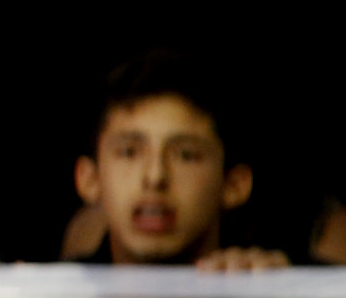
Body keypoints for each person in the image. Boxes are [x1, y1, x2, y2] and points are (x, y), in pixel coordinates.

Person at [63, 50, 285, 269]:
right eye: (129, 152)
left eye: (186, 155)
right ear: (89, 179)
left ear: (234, 184)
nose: (155, 176)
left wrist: (272, 296)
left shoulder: (271, 292)